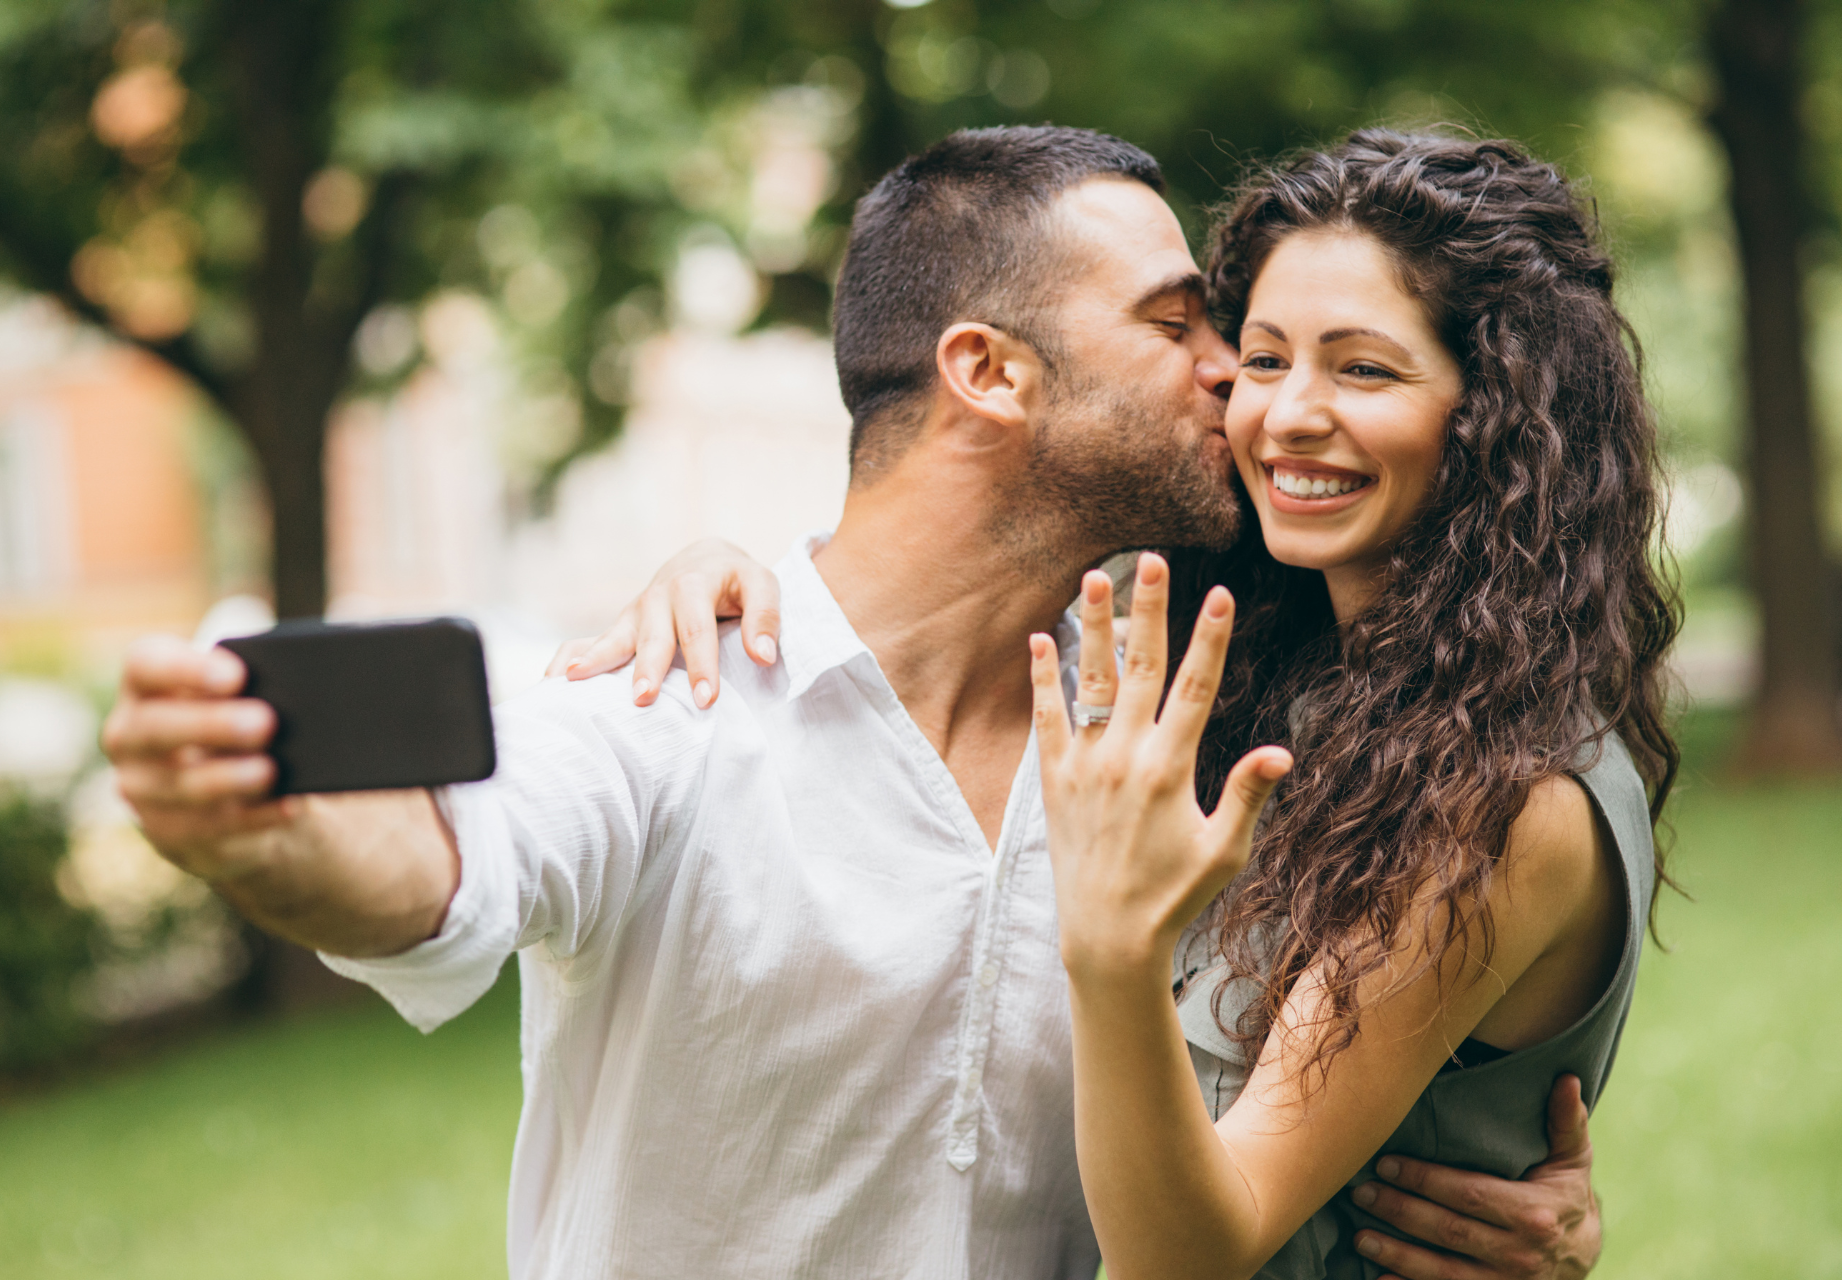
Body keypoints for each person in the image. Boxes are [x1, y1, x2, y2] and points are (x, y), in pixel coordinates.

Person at [104, 127, 1601, 1280]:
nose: (1244, 385)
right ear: (987, 373)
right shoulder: (671, 691)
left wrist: (1508, 1197)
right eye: (1184, 330)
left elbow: (1364, 1021)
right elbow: (434, 871)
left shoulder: (1203, 727)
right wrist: (258, 832)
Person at [560, 132, 1667, 1280]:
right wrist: (729, 573)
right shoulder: (1277, 689)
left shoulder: (1494, 798)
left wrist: (1111, 940)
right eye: (1264, 356)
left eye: (1365, 370)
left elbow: (1194, 1251)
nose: (1282, 412)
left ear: (1498, 415)